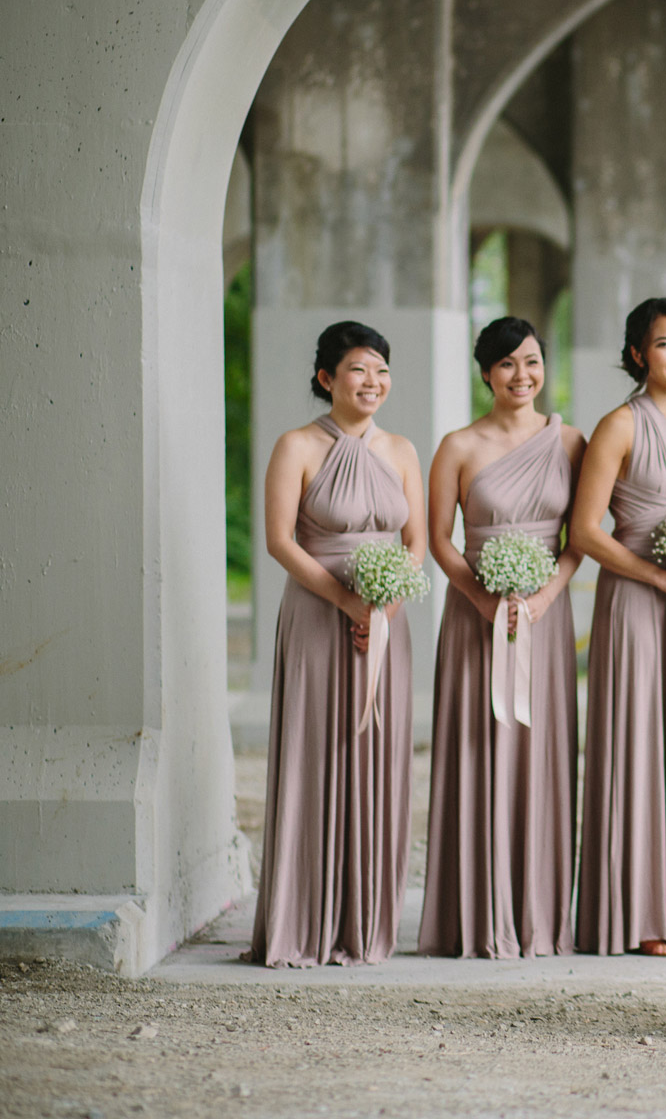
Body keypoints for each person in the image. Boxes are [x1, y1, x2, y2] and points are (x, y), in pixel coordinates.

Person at [249, 321, 426, 966]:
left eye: (381, 370)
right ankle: (307, 919)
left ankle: (364, 922)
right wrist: (348, 600)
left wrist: (387, 606)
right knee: (316, 750)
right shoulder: (296, 445)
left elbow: (418, 544)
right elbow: (279, 541)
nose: (372, 382)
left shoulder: (403, 450)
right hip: (320, 617)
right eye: (358, 369)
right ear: (326, 378)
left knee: (375, 751)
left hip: (388, 621)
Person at [418, 318, 587, 960]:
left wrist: (542, 596)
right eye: (508, 364)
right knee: (476, 747)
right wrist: (486, 600)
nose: (523, 376)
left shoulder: (572, 442)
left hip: (545, 621)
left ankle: (539, 917)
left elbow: (581, 537)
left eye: (533, 361)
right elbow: (438, 537)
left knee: (541, 755)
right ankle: (473, 917)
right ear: (485, 373)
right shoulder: (458, 445)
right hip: (475, 616)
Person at [570, 298, 666, 956]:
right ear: (638, 355)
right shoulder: (617, 427)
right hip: (636, 603)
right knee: (637, 746)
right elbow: (582, 532)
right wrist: (659, 577)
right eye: (664, 344)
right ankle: (636, 915)